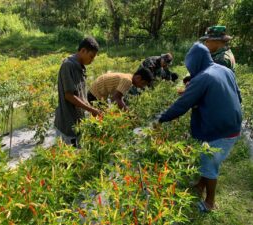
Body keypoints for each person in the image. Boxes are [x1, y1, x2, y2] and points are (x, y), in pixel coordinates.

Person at [158, 42, 242, 212]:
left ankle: (209, 203)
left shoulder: (203, 77)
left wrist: (160, 119)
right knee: (206, 160)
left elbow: (182, 105)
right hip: (233, 125)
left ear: (196, 61)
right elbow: (238, 96)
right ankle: (199, 186)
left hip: (220, 131)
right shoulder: (224, 70)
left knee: (209, 164)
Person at [54, 37, 101, 146]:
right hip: (67, 122)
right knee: (66, 157)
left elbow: (81, 95)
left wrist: (91, 109)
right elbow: (69, 96)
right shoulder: (68, 65)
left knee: (77, 156)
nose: (92, 60)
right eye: (91, 57)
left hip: (78, 121)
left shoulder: (81, 67)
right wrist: (91, 109)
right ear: (83, 50)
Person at [180, 25, 236, 94]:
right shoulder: (218, 54)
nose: (205, 44)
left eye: (207, 41)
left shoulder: (222, 59)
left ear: (217, 41)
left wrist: (190, 90)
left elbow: (208, 82)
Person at [87, 68, 153, 110]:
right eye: (143, 83)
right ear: (138, 77)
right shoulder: (128, 81)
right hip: (94, 95)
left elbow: (114, 99)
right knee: (102, 117)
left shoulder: (129, 77)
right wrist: (128, 112)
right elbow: (116, 98)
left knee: (107, 113)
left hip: (95, 94)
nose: (142, 87)